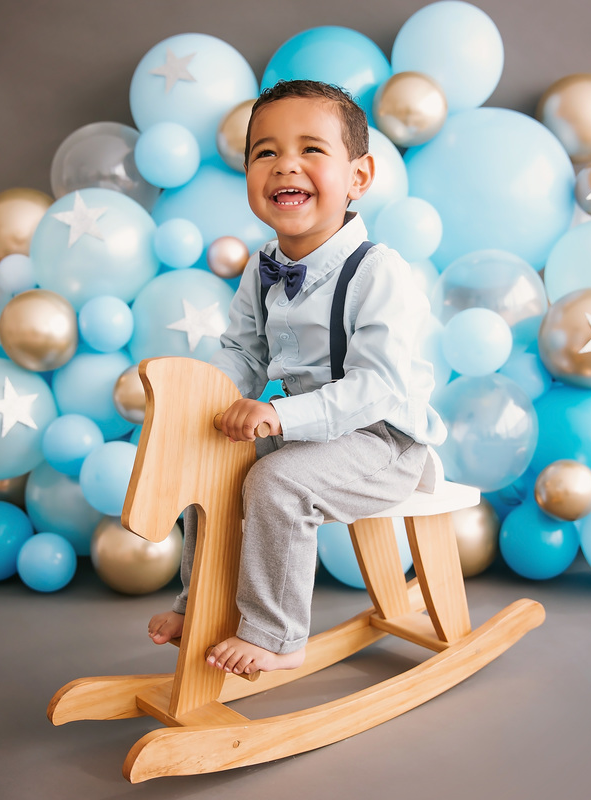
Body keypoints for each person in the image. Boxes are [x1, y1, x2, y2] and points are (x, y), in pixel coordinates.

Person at [147, 80, 447, 675]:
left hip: (382, 440)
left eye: (311, 149)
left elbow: (377, 386)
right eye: (266, 152)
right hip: (304, 431)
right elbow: (243, 350)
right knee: (208, 462)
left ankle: (278, 634)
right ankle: (198, 600)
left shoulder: (377, 272)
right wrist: (206, 399)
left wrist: (279, 415)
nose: (286, 164)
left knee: (276, 483)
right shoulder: (263, 267)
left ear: (359, 177)